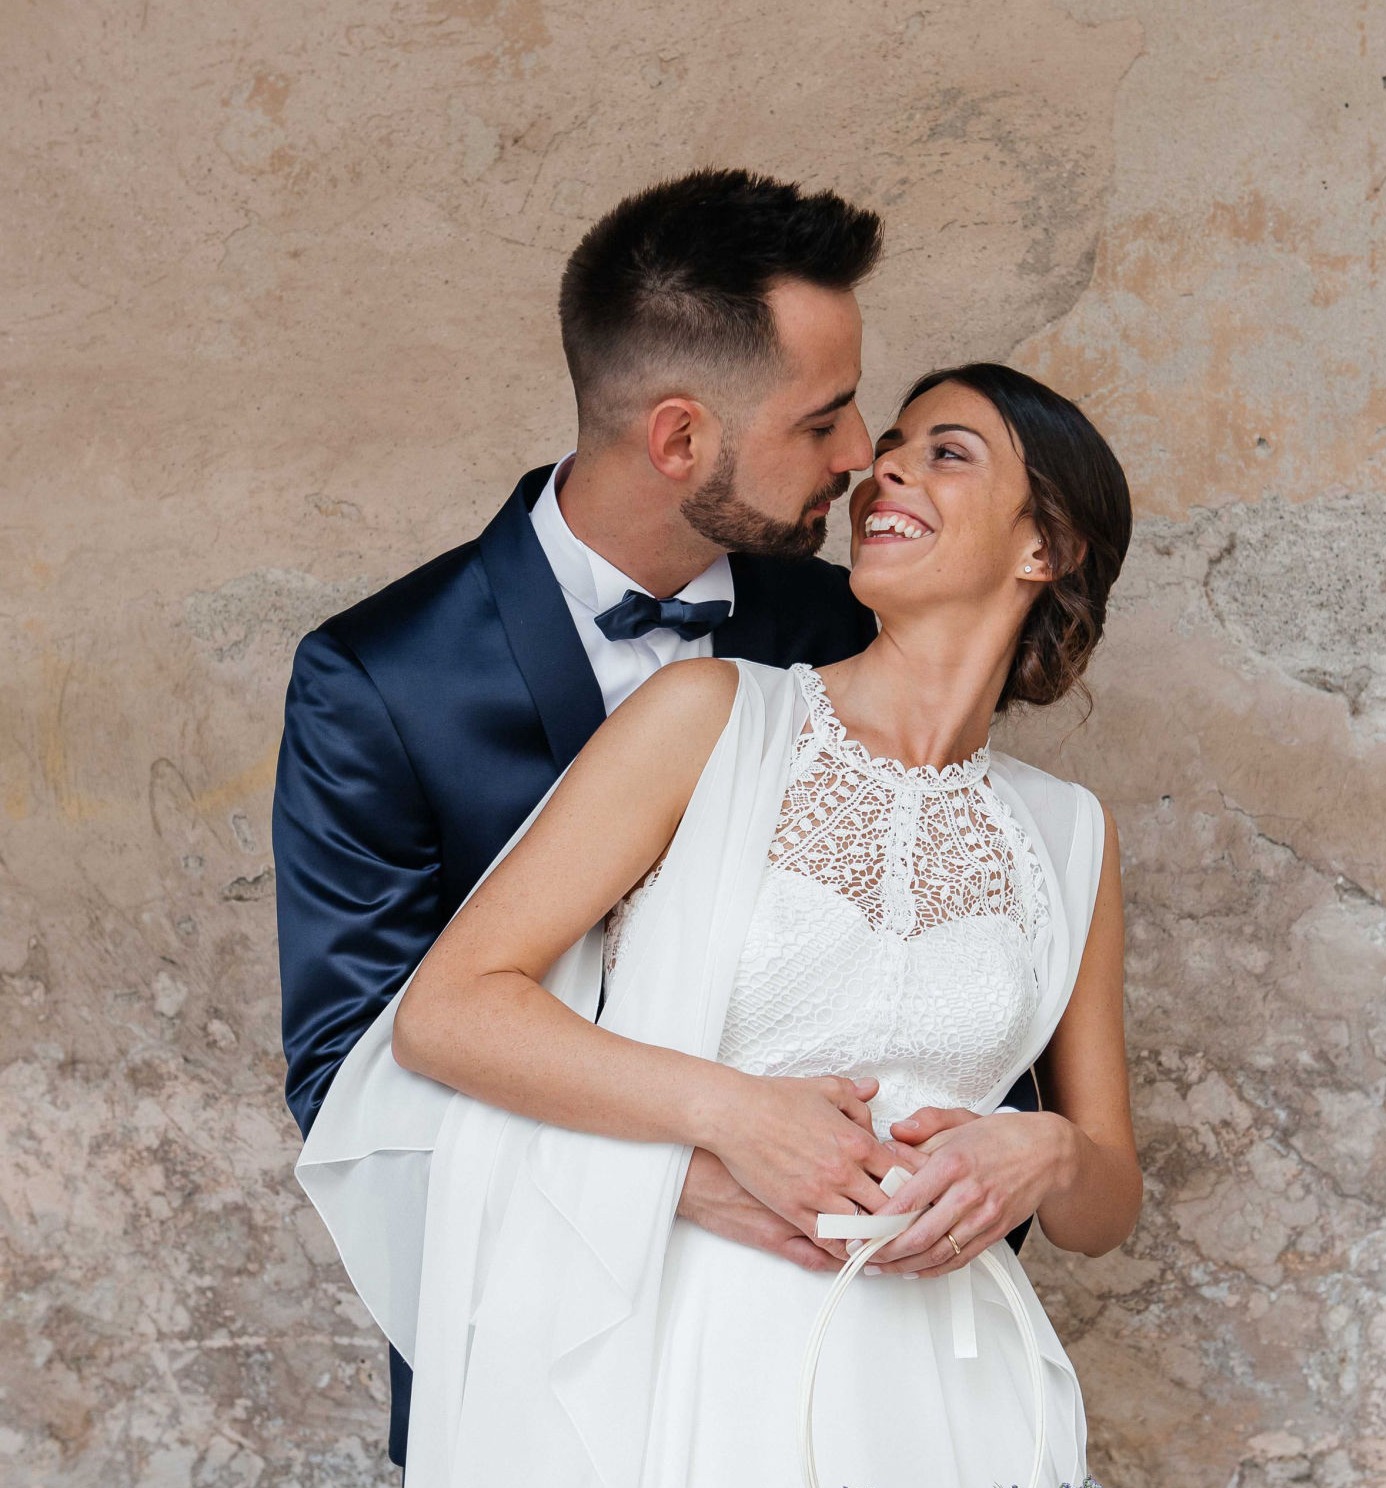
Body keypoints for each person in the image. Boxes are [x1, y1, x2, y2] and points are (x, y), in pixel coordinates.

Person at [273, 168, 1041, 1468]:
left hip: (845, 1348)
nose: (863, 458)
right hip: (528, 1354)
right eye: (822, 419)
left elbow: (952, 951)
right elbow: (350, 1069)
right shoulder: (382, 681)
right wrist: (691, 1169)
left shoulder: (845, 625)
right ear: (678, 439)